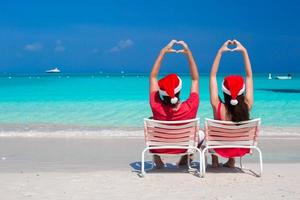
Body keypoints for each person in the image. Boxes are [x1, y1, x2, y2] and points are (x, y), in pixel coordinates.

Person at [149, 40, 200, 168]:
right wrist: (188, 54)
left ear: (162, 93)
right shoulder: (190, 106)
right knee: (200, 133)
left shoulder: (156, 106)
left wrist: (162, 52)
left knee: (152, 121)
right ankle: (185, 157)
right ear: (179, 90)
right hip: (184, 147)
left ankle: (158, 159)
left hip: (160, 147)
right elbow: (195, 79)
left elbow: (153, 77)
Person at [209, 39, 253, 168]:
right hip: (240, 148)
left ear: (224, 90)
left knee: (211, 131)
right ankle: (231, 160)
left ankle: (215, 162)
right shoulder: (247, 104)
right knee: (234, 132)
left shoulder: (218, 106)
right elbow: (249, 76)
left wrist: (220, 52)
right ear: (242, 91)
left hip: (220, 147)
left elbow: (212, 76)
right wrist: (244, 51)